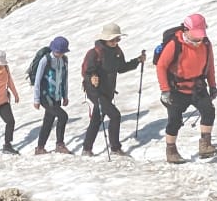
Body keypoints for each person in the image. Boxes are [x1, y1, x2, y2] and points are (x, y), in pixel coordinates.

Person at [156, 13, 217, 162]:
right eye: (196, 34)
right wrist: (165, 90)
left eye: (201, 34)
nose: (199, 38)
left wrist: (212, 85)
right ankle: (171, 151)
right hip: (176, 89)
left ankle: (205, 145)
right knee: (175, 120)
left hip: (197, 86)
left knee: (208, 111)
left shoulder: (206, 44)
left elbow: (210, 66)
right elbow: (161, 66)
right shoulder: (175, 43)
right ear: (186, 30)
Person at [81, 23, 141, 156]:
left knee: (97, 119)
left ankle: (86, 148)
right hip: (95, 91)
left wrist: (137, 61)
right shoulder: (94, 53)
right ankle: (115, 148)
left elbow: (121, 68)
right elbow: (87, 71)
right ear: (105, 39)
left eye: (117, 39)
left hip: (108, 91)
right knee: (115, 115)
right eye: (112, 39)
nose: (115, 42)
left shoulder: (117, 52)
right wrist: (92, 76)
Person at [30, 35, 72, 153]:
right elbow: (37, 80)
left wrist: (65, 95)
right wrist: (36, 99)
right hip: (45, 96)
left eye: (61, 52)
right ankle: (60, 144)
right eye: (58, 51)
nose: (59, 54)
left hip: (57, 96)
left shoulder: (64, 60)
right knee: (63, 116)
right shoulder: (45, 60)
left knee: (48, 121)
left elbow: (65, 79)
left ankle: (40, 148)